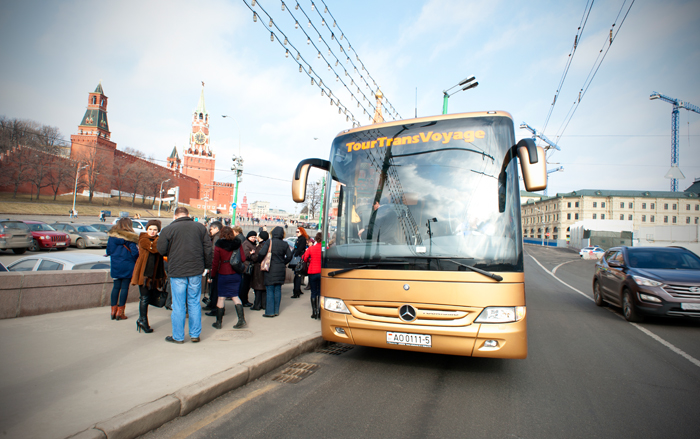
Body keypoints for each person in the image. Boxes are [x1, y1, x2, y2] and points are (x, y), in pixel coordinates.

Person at [157, 207, 212, 344]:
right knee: (194, 302)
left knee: (178, 304)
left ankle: (178, 336)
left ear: (175, 216)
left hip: (177, 271)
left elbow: (161, 249)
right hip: (195, 270)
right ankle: (195, 334)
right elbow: (208, 249)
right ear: (188, 215)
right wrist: (207, 266)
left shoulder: (168, 229)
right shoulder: (200, 228)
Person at [131, 220, 166, 333]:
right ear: (147, 229)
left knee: (148, 297)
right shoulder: (143, 239)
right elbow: (154, 248)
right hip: (144, 274)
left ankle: (142, 320)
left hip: (154, 275)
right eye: (150, 229)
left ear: (158, 231)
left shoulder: (157, 240)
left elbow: (163, 250)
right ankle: (143, 321)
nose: (152, 231)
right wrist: (161, 240)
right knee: (144, 298)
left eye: (155, 230)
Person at [209, 226, 247, 329]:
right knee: (235, 296)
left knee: (221, 297)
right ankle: (241, 319)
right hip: (235, 273)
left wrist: (212, 275)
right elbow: (243, 258)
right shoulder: (238, 243)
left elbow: (215, 262)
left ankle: (219, 322)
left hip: (223, 273)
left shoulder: (219, 245)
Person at [106, 218, 139, 321]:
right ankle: (121, 312)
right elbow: (135, 253)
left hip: (116, 265)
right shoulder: (130, 237)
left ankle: (113, 311)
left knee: (116, 287)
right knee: (124, 288)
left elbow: (108, 251)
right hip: (128, 265)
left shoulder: (112, 237)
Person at [257, 226, 293, 317]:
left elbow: (261, 253)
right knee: (277, 289)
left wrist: (260, 260)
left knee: (270, 290)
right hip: (281, 269)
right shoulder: (284, 244)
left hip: (270, 268)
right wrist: (283, 262)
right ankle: (276, 310)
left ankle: (269, 312)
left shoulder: (270, 242)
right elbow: (289, 256)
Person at [204, 221, 223, 316]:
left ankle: (215, 309)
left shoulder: (216, 238)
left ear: (216, 229)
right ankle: (213, 305)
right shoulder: (219, 236)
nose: (210, 231)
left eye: (211, 229)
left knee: (215, 288)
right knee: (215, 288)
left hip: (216, 266)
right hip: (220, 267)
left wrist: (211, 266)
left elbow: (214, 253)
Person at [303, 232, 323, 319]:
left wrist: (310, 260)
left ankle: (314, 312)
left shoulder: (311, 248)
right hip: (322, 273)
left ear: (315, 239)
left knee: (313, 292)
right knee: (320, 292)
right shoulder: (325, 248)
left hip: (312, 272)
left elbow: (304, 258)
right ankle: (319, 311)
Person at [249, 231, 267, 311]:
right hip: (265, 268)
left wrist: (252, 254)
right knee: (263, 288)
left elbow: (256, 258)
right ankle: (264, 304)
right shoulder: (266, 245)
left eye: (258, 236)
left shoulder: (260, 246)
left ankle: (257, 305)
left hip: (259, 268)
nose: (257, 238)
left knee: (258, 287)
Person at [239, 231, 258, 307]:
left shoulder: (251, 243)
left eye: (254, 237)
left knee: (247, 285)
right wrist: (251, 253)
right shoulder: (246, 244)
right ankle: (244, 300)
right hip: (246, 267)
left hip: (249, 266)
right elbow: (245, 255)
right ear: (248, 237)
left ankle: (245, 300)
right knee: (245, 285)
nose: (253, 239)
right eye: (252, 237)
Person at [291, 227, 308, 298]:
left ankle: (296, 291)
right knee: (298, 275)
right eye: (296, 232)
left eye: (298, 232)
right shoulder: (300, 239)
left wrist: (295, 254)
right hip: (299, 258)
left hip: (298, 259)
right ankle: (298, 290)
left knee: (297, 275)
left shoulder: (302, 239)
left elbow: (299, 248)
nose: (296, 233)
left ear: (301, 232)